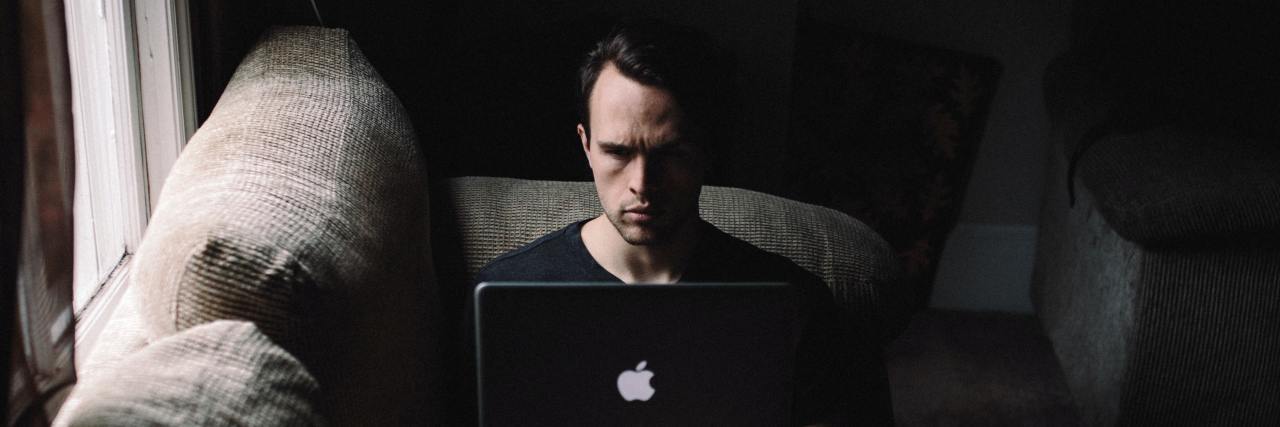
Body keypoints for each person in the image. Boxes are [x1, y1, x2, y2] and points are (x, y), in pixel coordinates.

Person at [469, 19, 892, 426]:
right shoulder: (505, 297)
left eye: (670, 154)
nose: (641, 184)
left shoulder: (793, 305)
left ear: (706, 150)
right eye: (617, 152)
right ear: (586, 145)